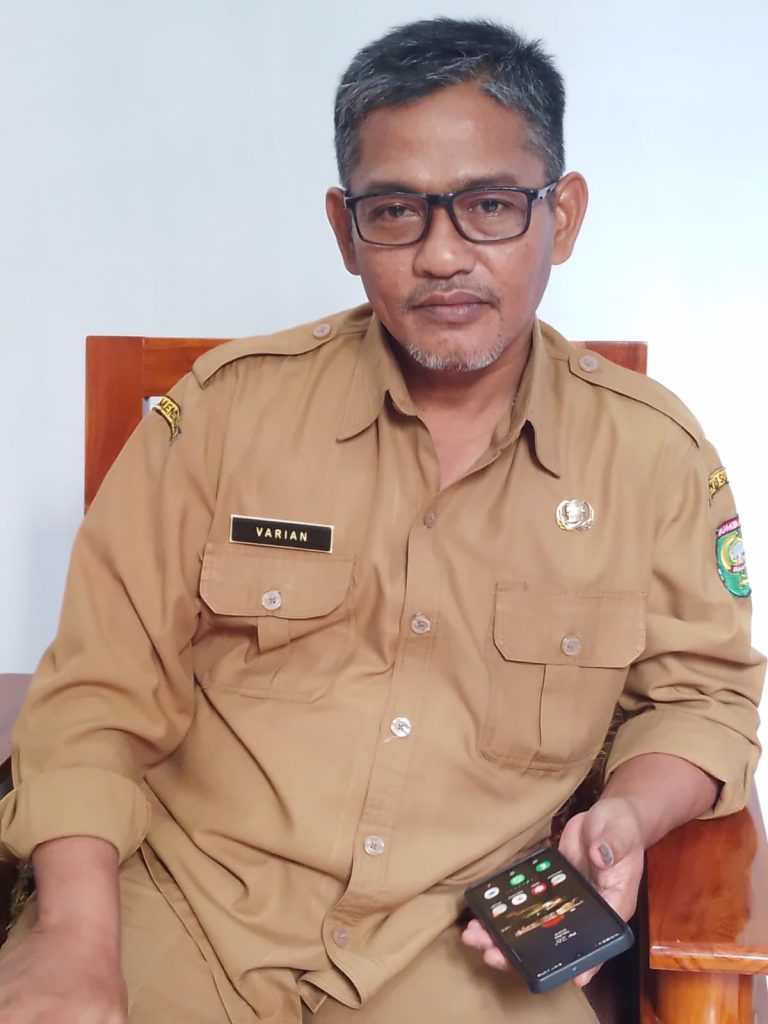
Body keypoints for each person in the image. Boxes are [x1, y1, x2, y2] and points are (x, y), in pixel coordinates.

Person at [0, 16, 763, 1024]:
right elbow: (94, 692)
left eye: (489, 206)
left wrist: (629, 811)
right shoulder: (223, 414)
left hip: (466, 942)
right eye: (396, 211)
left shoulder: (653, 456)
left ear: (563, 215)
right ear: (345, 229)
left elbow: (704, 699)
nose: (442, 255)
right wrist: (72, 936)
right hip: (187, 911)